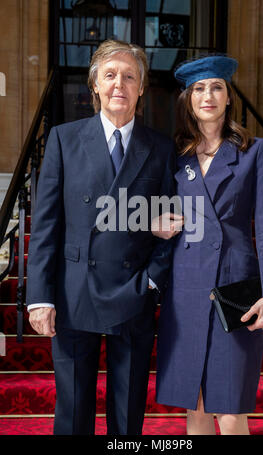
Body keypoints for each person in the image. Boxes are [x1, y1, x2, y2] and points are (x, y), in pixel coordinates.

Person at [26, 39, 175, 435]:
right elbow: (45, 226)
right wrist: (40, 296)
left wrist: (153, 280)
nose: (119, 85)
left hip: (134, 294)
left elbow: (173, 227)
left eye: (129, 76)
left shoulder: (160, 148)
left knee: (127, 420)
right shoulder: (63, 138)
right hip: (74, 294)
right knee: (73, 415)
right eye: (110, 75)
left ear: (142, 87)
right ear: (95, 85)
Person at [152, 55, 263, 435]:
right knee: (194, 407)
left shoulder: (254, 151)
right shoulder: (174, 155)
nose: (207, 95)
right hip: (186, 289)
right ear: (188, 99)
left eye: (216, 87)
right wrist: (151, 223)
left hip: (236, 289)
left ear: (228, 97)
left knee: (230, 410)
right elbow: (151, 210)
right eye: (198, 89)